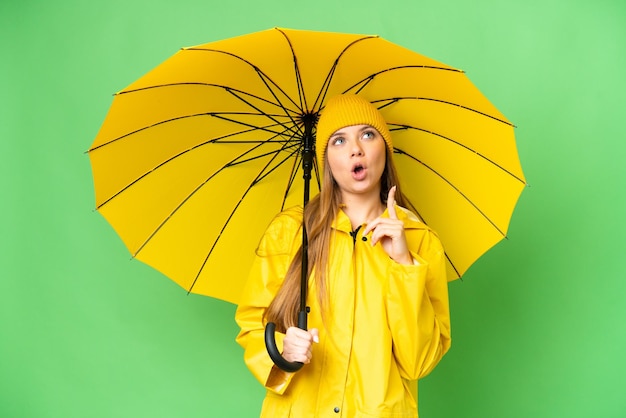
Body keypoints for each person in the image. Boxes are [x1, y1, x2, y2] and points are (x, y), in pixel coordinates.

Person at [235, 94, 451, 417]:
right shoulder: (290, 232)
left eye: (367, 134)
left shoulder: (421, 242)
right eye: (339, 140)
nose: (355, 149)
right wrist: (281, 349)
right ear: (326, 160)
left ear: (385, 149)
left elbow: (419, 361)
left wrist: (403, 264)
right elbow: (252, 326)